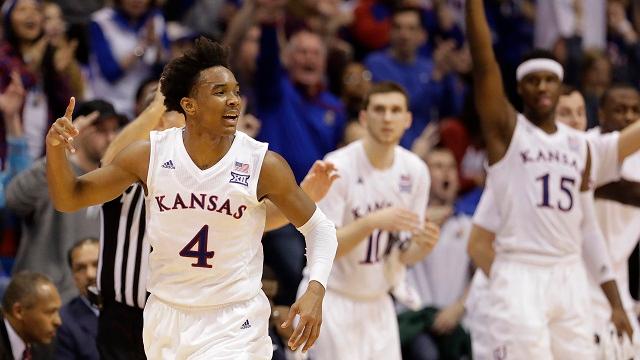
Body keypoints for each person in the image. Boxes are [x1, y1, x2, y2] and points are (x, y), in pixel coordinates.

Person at [45, 37, 338, 359]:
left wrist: (315, 288)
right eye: (220, 92)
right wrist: (56, 152)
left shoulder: (262, 163)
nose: (234, 101)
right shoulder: (149, 155)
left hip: (234, 318)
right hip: (166, 316)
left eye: (236, 91)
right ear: (189, 105)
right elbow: (70, 197)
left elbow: (320, 228)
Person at [466, 0, 632, 357]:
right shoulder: (509, 133)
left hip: (570, 273)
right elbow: (483, 66)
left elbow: (589, 229)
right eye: (532, 80)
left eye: (549, 80)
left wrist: (615, 302)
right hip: (520, 269)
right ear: (520, 88)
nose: (542, 87)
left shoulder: (582, 146)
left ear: (560, 86)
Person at [302, 82, 439, 360]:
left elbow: (402, 254)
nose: (387, 118)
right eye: (379, 109)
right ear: (364, 118)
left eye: (395, 110)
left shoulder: (416, 172)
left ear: (407, 119)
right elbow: (325, 249)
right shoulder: (337, 166)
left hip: (378, 304)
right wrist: (373, 221)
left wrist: (422, 248)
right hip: (333, 299)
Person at [6, 99, 124, 303]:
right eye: (101, 131)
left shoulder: (113, 180)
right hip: (41, 299)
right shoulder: (55, 173)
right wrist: (55, 154)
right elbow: (14, 199)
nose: (110, 138)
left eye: (114, 130)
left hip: (89, 305)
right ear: (80, 131)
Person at [55, 238, 100, 360]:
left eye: (96, 264)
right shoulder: (63, 321)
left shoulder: (134, 310)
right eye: (80, 268)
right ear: (73, 276)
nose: (90, 274)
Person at [0, 271, 62, 359]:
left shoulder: (44, 344)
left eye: (57, 311)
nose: (58, 321)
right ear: (19, 311)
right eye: (50, 312)